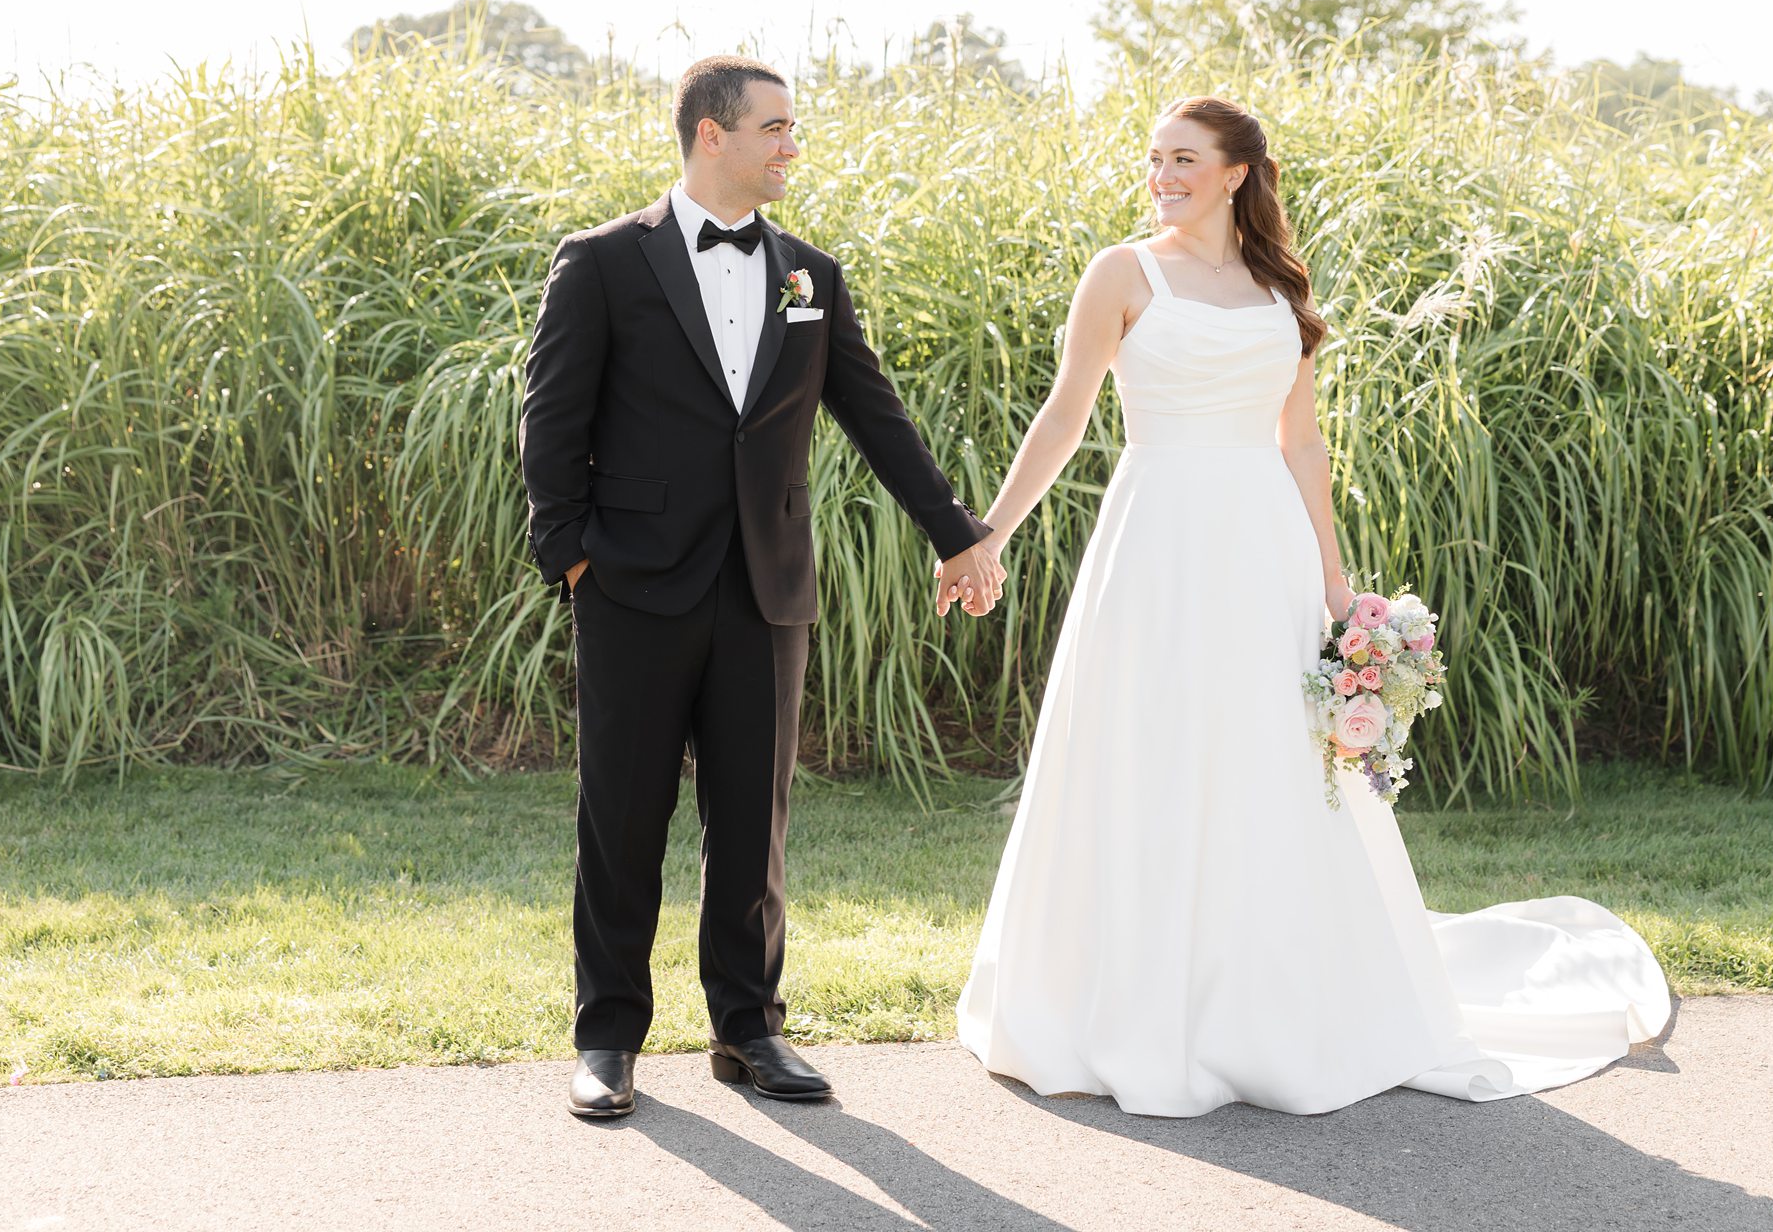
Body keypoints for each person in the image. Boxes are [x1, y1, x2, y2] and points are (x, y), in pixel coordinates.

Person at [954, 95, 1670, 1116]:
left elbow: (1300, 442)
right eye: (1156, 158)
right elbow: (1066, 413)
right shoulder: (1123, 272)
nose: (1164, 174)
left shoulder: (1279, 291)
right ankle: (1126, 1000)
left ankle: (1272, 998)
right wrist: (990, 532)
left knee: (1265, 758)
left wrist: (1334, 580)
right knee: (1150, 744)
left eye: (1186, 158)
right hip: (1156, 538)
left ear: (1237, 171)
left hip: (1262, 546)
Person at [519, 55, 1006, 1119]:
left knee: (754, 821)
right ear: (711, 135)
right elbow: (550, 421)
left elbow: (877, 418)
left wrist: (959, 535)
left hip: (766, 586)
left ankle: (749, 1028)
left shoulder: (810, 277)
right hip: (635, 587)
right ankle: (607, 1037)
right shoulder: (604, 262)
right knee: (624, 819)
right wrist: (572, 558)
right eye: (777, 127)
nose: (794, 144)